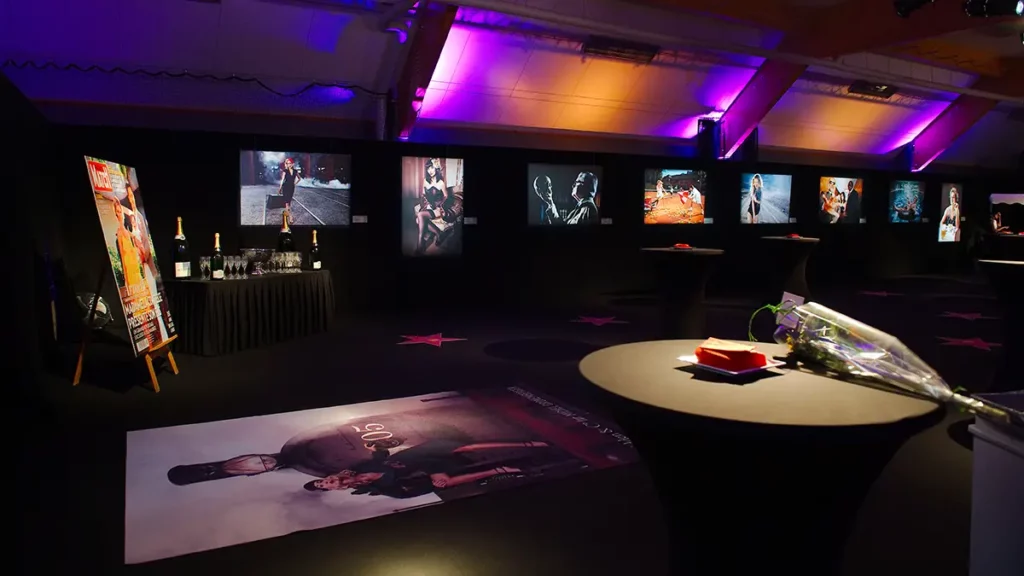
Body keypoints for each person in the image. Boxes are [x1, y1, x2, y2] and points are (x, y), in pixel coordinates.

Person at [304, 440, 552, 498]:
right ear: (333, 490)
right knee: (447, 478)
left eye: (322, 481)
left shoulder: (354, 467)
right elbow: (432, 486)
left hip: (415, 456)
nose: (326, 483)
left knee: (463, 446)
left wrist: (378, 448)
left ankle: (526, 443)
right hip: (430, 469)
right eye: (323, 487)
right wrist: (436, 477)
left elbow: (380, 456)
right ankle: (500, 470)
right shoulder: (387, 490)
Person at [413, 158, 452, 254]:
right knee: (418, 219)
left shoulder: (441, 183)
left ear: (436, 169)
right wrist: (426, 204)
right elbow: (423, 194)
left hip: (438, 209)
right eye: (428, 169)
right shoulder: (425, 181)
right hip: (429, 207)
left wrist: (441, 206)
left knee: (420, 215)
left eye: (432, 168)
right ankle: (439, 233)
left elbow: (446, 196)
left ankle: (420, 244)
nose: (430, 171)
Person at [111, 198, 145, 295]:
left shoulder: (127, 231)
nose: (120, 214)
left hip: (136, 268)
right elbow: (123, 258)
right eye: (118, 211)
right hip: (130, 271)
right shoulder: (120, 233)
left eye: (121, 211)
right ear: (116, 214)